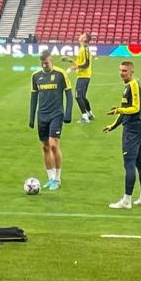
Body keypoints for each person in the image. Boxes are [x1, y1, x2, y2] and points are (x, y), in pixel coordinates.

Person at [104, 60, 141, 209]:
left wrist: (118, 110)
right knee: (139, 162)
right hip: (137, 126)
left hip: (133, 129)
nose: (121, 73)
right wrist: (113, 126)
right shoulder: (128, 86)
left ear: (132, 71)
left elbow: (135, 108)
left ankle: (127, 201)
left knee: (129, 163)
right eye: (120, 70)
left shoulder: (133, 85)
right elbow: (125, 110)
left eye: (124, 71)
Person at [29, 52, 73, 190]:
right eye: (42, 63)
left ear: (51, 60)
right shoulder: (35, 76)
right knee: (45, 147)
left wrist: (68, 113)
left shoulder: (60, 74)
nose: (44, 65)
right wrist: (31, 117)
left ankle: (58, 178)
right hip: (42, 115)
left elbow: (69, 94)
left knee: (54, 145)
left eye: (46, 62)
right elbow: (34, 97)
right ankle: (50, 178)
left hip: (56, 114)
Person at [62, 32, 95, 121]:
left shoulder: (85, 49)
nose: (79, 36)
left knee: (78, 96)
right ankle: (90, 114)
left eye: (82, 35)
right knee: (83, 97)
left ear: (84, 39)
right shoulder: (82, 49)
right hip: (83, 76)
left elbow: (86, 64)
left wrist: (74, 67)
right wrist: (71, 61)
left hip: (84, 76)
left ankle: (84, 117)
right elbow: (80, 63)